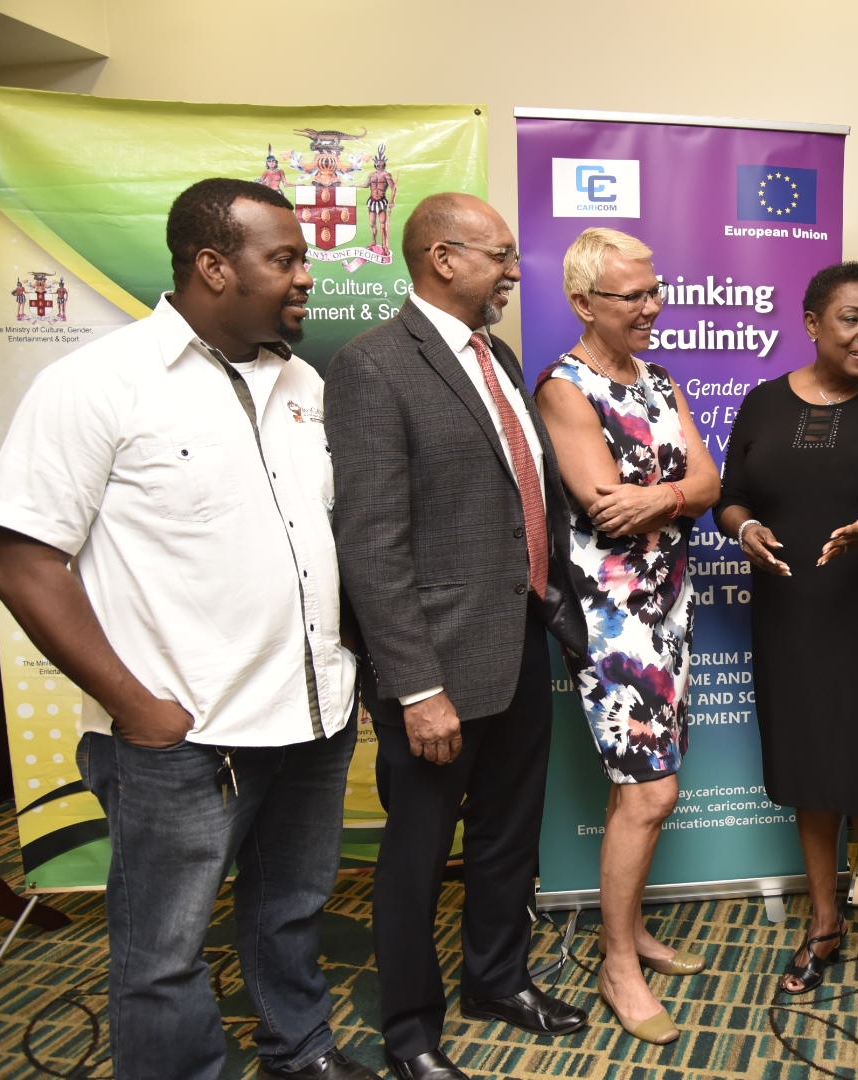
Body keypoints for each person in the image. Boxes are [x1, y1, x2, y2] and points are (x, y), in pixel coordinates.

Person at [0, 178, 371, 1080]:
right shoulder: (95, 383)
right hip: (183, 740)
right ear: (211, 266)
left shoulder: (303, 382)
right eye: (285, 259)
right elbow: (19, 559)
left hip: (309, 718)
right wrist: (135, 706)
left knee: (291, 909)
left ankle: (298, 1049)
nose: (306, 277)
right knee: (163, 953)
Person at [325, 193, 590, 1080]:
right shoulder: (371, 367)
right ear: (443, 258)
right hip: (433, 667)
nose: (516, 272)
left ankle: (497, 980)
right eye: (500, 256)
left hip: (515, 640)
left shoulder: (498, 356)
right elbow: (371, 542)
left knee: (512, 833)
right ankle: (411, 1033)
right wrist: (414, 686)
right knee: (415, 856)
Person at [715, 261, 858, 1027]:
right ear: (812, 322)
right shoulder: (762, 402)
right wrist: (744, 528)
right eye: (853, 319)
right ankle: (824, 924)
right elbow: (730, 497)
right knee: (809, 776)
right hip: (789, 614)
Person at [534, 228, 720, 1044]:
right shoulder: (563, 388)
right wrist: (674, 495)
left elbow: (710, 482)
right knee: (651, 793)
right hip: (611, 618)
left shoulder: (659, 379)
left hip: (669, 606)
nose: (652, 308)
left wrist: (663, 498)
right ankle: (617, 965)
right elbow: (599, 500)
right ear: (583, 303)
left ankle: (631, 930)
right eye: (633, 296)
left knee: (637, 792)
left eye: (656, 292)